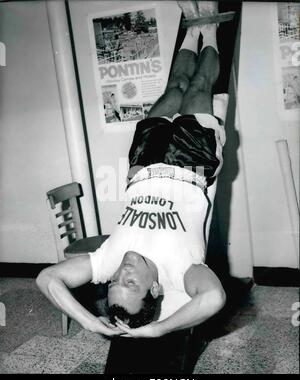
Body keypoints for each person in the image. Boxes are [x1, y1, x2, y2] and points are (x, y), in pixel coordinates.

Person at [37, 1, 227, 339]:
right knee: (199, 87)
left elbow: (46, 278)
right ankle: (209, 27)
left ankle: (193, 27)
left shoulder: (109, 261)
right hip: (191, 163)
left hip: (142, 165)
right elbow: (214, 297)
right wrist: (156, 330)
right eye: (130, 282)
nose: (122, 271)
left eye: (114, 282)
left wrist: (88, 320)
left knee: (175, 88)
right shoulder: (179, 272)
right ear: (153, 289)